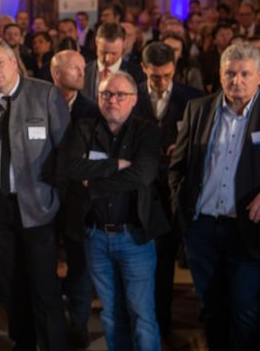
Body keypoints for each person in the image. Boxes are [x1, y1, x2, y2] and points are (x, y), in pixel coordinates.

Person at [0, 37, 69, 351]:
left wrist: (56, 201)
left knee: (43, 285)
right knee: (10, 285)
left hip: (37, 205)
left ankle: (53, 345)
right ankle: (23, 341)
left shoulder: (45, 95)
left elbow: (64, 153)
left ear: (13, 62)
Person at [60, 71, 168, 351]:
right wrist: (115, 164)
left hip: (135, 238)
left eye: (121, 95)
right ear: (97, 98)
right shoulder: (84, 128)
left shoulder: (148, 131)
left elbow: (142, 176)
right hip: (96, 237)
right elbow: (71, 167)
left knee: (141, 315)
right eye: (106, 94)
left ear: (134, 100)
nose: (113, 100)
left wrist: (93, 186)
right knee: (110, 314)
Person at [169, 43, 260, 351]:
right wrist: (181, 212)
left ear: (258, 76)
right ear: (220, 75)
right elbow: (177, 166)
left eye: (245, 73)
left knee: (245, 309)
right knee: (210, 306)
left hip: (246, 229)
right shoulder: (198, 108)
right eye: (230, 73)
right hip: (202, 228)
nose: (237, 80)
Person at [133, 42, 202, 339]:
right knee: (139, 262)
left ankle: (162, 322)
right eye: (155, 76)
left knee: (165, 263)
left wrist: (182, 152)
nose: (162, 82)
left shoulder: (192, 99)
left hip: (174, 193)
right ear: (143, 69)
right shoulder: (130, 95)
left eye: (167, 75)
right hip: (138, 191)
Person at [49, 49, 98, 348]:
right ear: (56, 74)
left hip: (80, 199)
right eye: (75, 69)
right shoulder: (40, 103)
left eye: (83, 68)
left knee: (81, 263)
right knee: (45, 262)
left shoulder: (92, 110)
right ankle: (51, 319)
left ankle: (79, 322)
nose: (83, 73)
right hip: (45, 195)